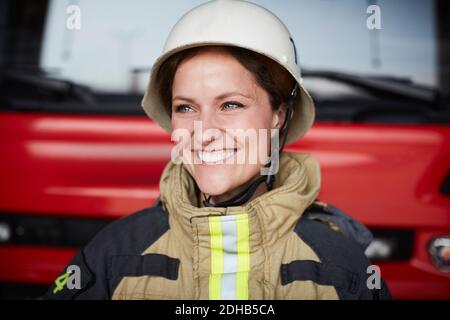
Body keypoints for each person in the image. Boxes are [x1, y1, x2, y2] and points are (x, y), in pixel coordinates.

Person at [44, 0, 391, 300]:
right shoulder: (114, 253)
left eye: (230, 105)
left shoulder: (342, 268)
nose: (205, 133)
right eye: (186, 108)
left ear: (278, 115)